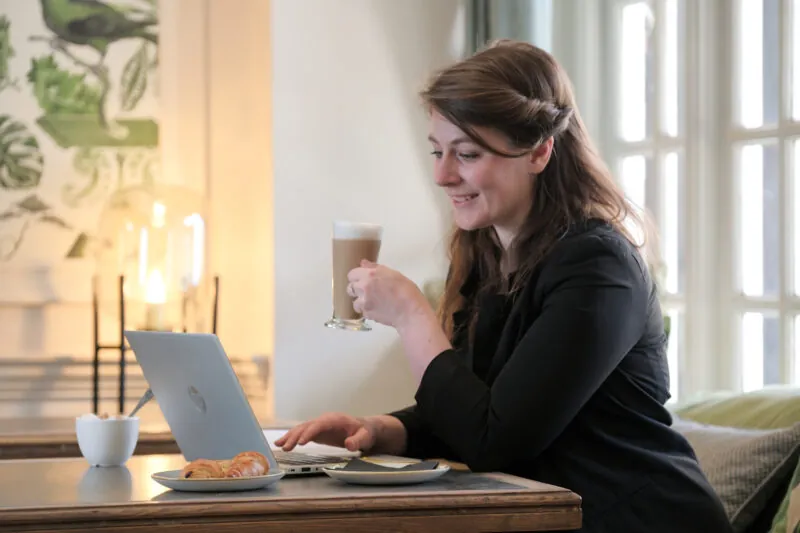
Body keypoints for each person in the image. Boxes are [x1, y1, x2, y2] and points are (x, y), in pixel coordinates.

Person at [275, 40, 732, 532]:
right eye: (437, 151)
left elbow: (496, 440)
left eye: (467, 153)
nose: (442, 175)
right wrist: (384, 429)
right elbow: (479, 409)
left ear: (539, 151)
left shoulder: (599, 267)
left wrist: (412, 316)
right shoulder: (488, 257)